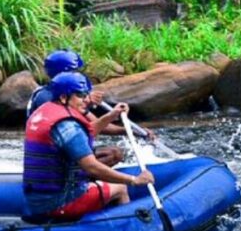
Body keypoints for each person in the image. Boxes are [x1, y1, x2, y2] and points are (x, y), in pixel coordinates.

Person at [23, 72, 154, 221]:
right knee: (120, 188)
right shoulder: (68, 126)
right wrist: (133, 180)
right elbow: (91, 167)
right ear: (63, 97)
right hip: (60, 203)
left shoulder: (45, 111)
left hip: (37, 200)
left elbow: (88, 132)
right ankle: (126, 229)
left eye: (86, 94)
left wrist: (113, 114)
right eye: (80, 95)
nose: (86, 100)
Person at [27, 49, 154, 166]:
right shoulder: (46, 97)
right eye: (75, 71)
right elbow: (86, 130)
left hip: (65, 149)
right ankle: (87, 182)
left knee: (116, 153)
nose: (79, 75)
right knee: (113, 154)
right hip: (51, 157)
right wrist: (85, 102)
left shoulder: (69, 97)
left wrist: (133, 131)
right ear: (64, 73)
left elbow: (97, 125)